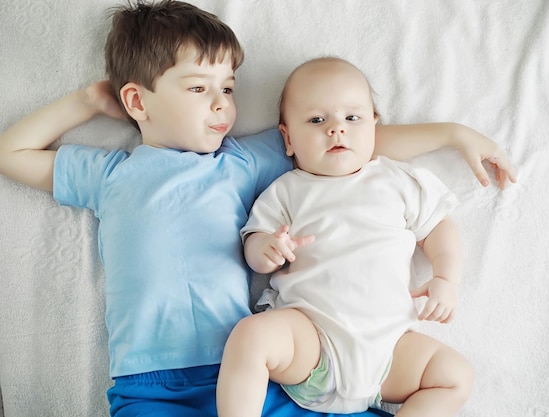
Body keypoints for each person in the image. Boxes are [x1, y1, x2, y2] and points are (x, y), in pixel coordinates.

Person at [0, 1, 514, 417]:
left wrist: (453, 134)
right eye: (200, 89)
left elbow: (349, 140)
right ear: (138, 101)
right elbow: (11, 155)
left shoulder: (241, 161)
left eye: (228, 88)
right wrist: (88, 102)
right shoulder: (109, 174)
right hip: (148, 378)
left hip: (247, 373)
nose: (223, 104)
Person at [216, 57, 473, 417]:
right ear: (288, 138)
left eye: (352, 118)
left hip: (388, 353)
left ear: (373, 125)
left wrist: (447, 279)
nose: (336, 129)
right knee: (251, 336)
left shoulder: (395, 180)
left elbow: (439, 228)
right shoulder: (287, 191)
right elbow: (253, 245)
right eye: (317, 120)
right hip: (313, 342)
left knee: (455, 376)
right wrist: (267, 249)